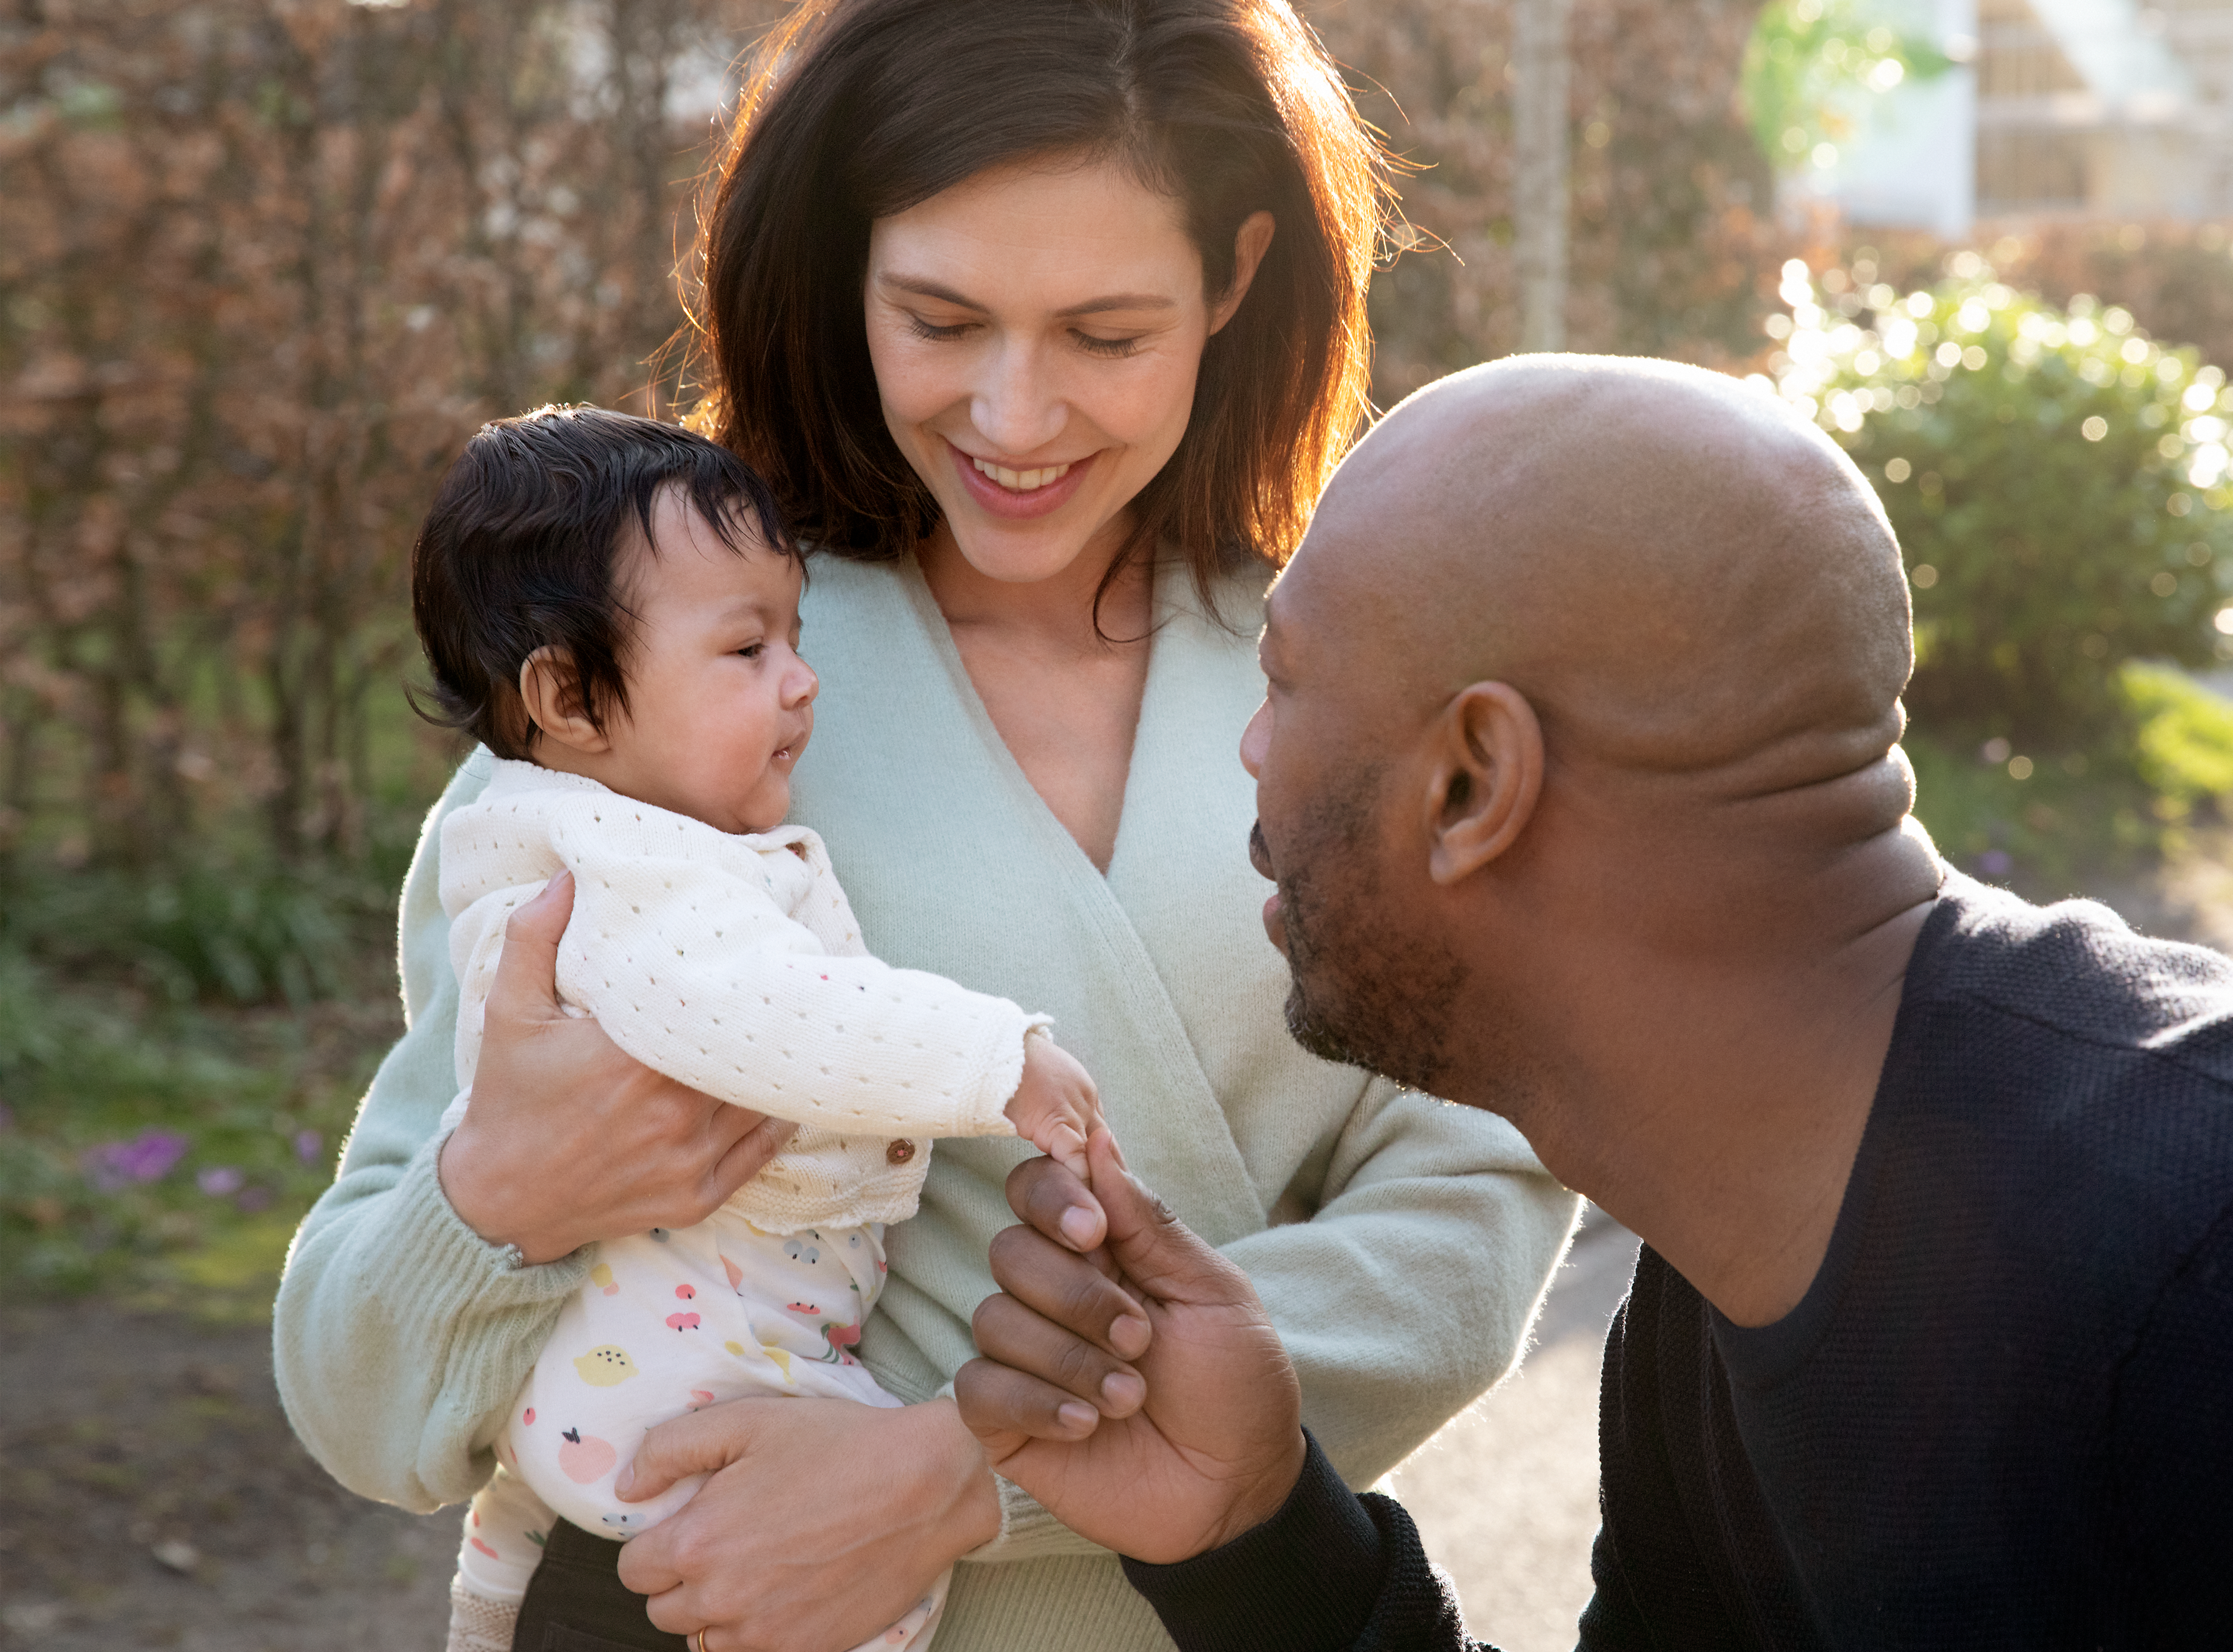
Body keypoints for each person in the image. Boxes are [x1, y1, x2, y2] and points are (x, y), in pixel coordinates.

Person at [271, 4, 1576, 1650]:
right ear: (844, 273)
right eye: (942, 319)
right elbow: (356, 1392)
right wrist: (497, 1198)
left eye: (1107, 331)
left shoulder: (1374, 670)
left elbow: (1468, 1217)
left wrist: (961, 1466)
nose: (1016, 417)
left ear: (1235, 278)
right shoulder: (676, 682)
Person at [952, 356, 2233, 1650]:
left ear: (1469, 785)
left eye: (1281, 680)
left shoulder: (2191, 1265)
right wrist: (1254, 1530)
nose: (1248, 752)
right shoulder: (1712, 1282)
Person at [406, 406, 1108, 1652]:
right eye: (746, 648)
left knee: (511, 1545)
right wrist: (994, 1058)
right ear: (568, 696)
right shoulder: (616, 873)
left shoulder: (587, 837)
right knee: (878, 1577)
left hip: (600, 1366)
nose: (802, 676)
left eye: (795, 631)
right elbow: (765, 1015)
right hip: (701, 1365)